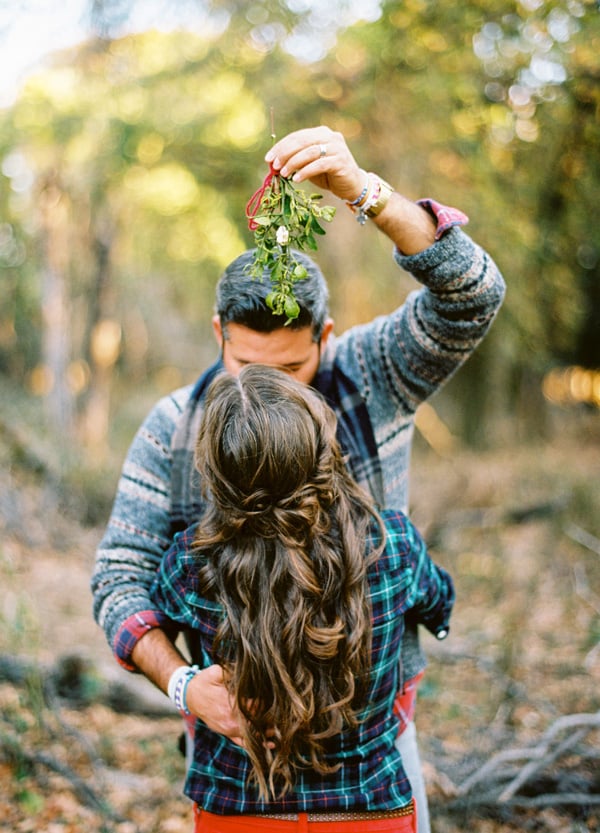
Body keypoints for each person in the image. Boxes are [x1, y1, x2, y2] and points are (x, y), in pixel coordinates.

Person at [91, 125, 506, 833]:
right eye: (245, 366)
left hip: (374, 744)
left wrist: (362, 191)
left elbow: (472, 296)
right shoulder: (174, 425)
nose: (264, 391)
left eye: (289, 372)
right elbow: (119, 579)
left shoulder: (376, 371)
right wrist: (188, 684)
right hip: (238, 757)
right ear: (217, 331)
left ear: (327, 335)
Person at [150, 364, 455, 831]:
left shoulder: (192, 564)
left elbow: (152, 619)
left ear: (215, 473)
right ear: (322, 452)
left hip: (240, 808)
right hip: (368, 807)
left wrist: (185, 684)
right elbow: (440, 603)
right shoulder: (392, 545)